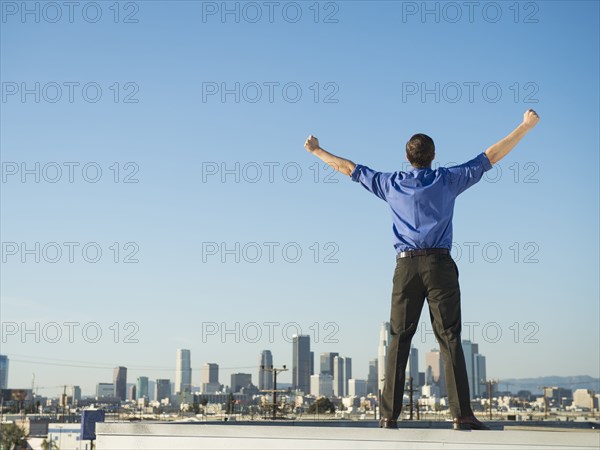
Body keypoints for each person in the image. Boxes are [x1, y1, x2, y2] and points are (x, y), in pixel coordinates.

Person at [304, 109, 540, 430]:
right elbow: (490, 156)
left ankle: (388, 416)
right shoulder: (447, 179)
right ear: (433, 156)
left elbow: (348, 168)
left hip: (405, 268)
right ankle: (462, 416)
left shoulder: (390, 183)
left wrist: (317, 150)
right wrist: (524, 127)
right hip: (439, 265)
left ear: (407, 157)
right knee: (450, 338)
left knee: (398, 340)